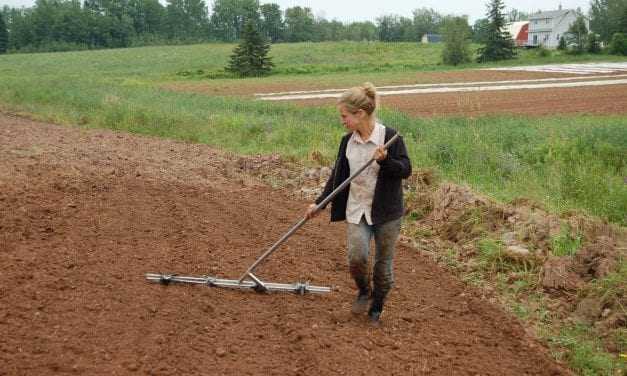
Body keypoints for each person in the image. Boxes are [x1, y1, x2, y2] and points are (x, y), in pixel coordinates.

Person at [305, 82, 412, 325]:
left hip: (387, 214)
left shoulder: (390, 138)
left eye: (344, 116)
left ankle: (377, 306)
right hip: (357, 209)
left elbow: (405, 170)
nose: (342, 121)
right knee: (356, 257)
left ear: (360, 114)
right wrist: (319, 204)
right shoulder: (347, 142)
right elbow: (338, 177)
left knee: (383, 267)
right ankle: (364, 290)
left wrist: (386, 161)